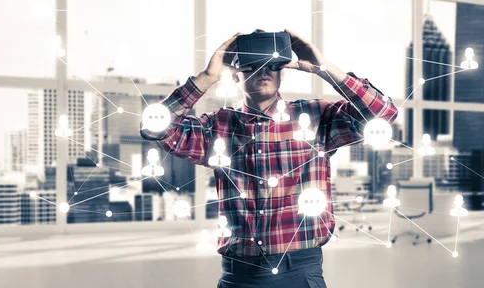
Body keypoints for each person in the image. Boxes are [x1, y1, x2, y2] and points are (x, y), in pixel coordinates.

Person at [140, 29, 398, 288]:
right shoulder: (218, 126)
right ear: (237, 73)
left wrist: (324, 69)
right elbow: (156, 128)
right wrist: (207, 79)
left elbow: (383, 113)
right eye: (253, 65)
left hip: (299, 271)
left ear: (282, 72)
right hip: (238, 275)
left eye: (273, 65)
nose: (263, 72)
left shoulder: (315, 117)